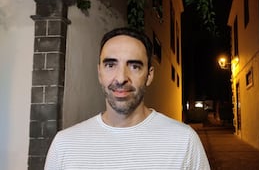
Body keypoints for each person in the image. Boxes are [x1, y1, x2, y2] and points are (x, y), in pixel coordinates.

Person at [45, 27, 210, 170]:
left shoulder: (184, 141)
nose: (121, 78)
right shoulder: (64, 144)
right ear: (99, 73)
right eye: (110, 65)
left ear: (149, 75)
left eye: (134, 66)